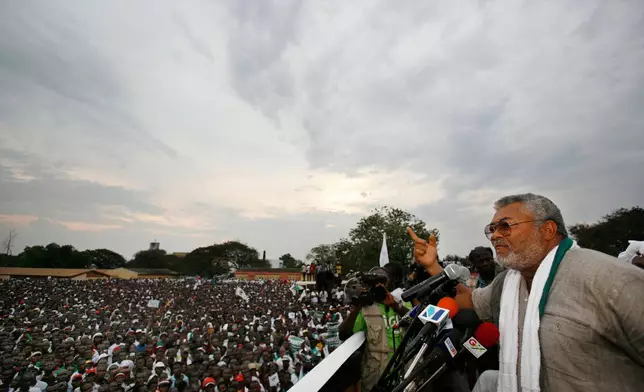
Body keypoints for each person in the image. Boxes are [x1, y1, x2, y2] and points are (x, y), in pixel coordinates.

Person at [408, 193, 644, 392]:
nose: (496, 235)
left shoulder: (612, 280)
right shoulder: (507, 284)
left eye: (506, 226)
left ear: (548, 229)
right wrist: (433, 266)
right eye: (491, 229)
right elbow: (469, 301)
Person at [338, 268, 408, 391]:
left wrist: (394, 305)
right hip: (376, 377)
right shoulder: (366, 309)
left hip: (400, 372)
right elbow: (343, 333)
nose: (379, 288)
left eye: (382, 284)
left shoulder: (401, 302)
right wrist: (360, 304)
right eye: (375, 285)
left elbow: (416, 321)